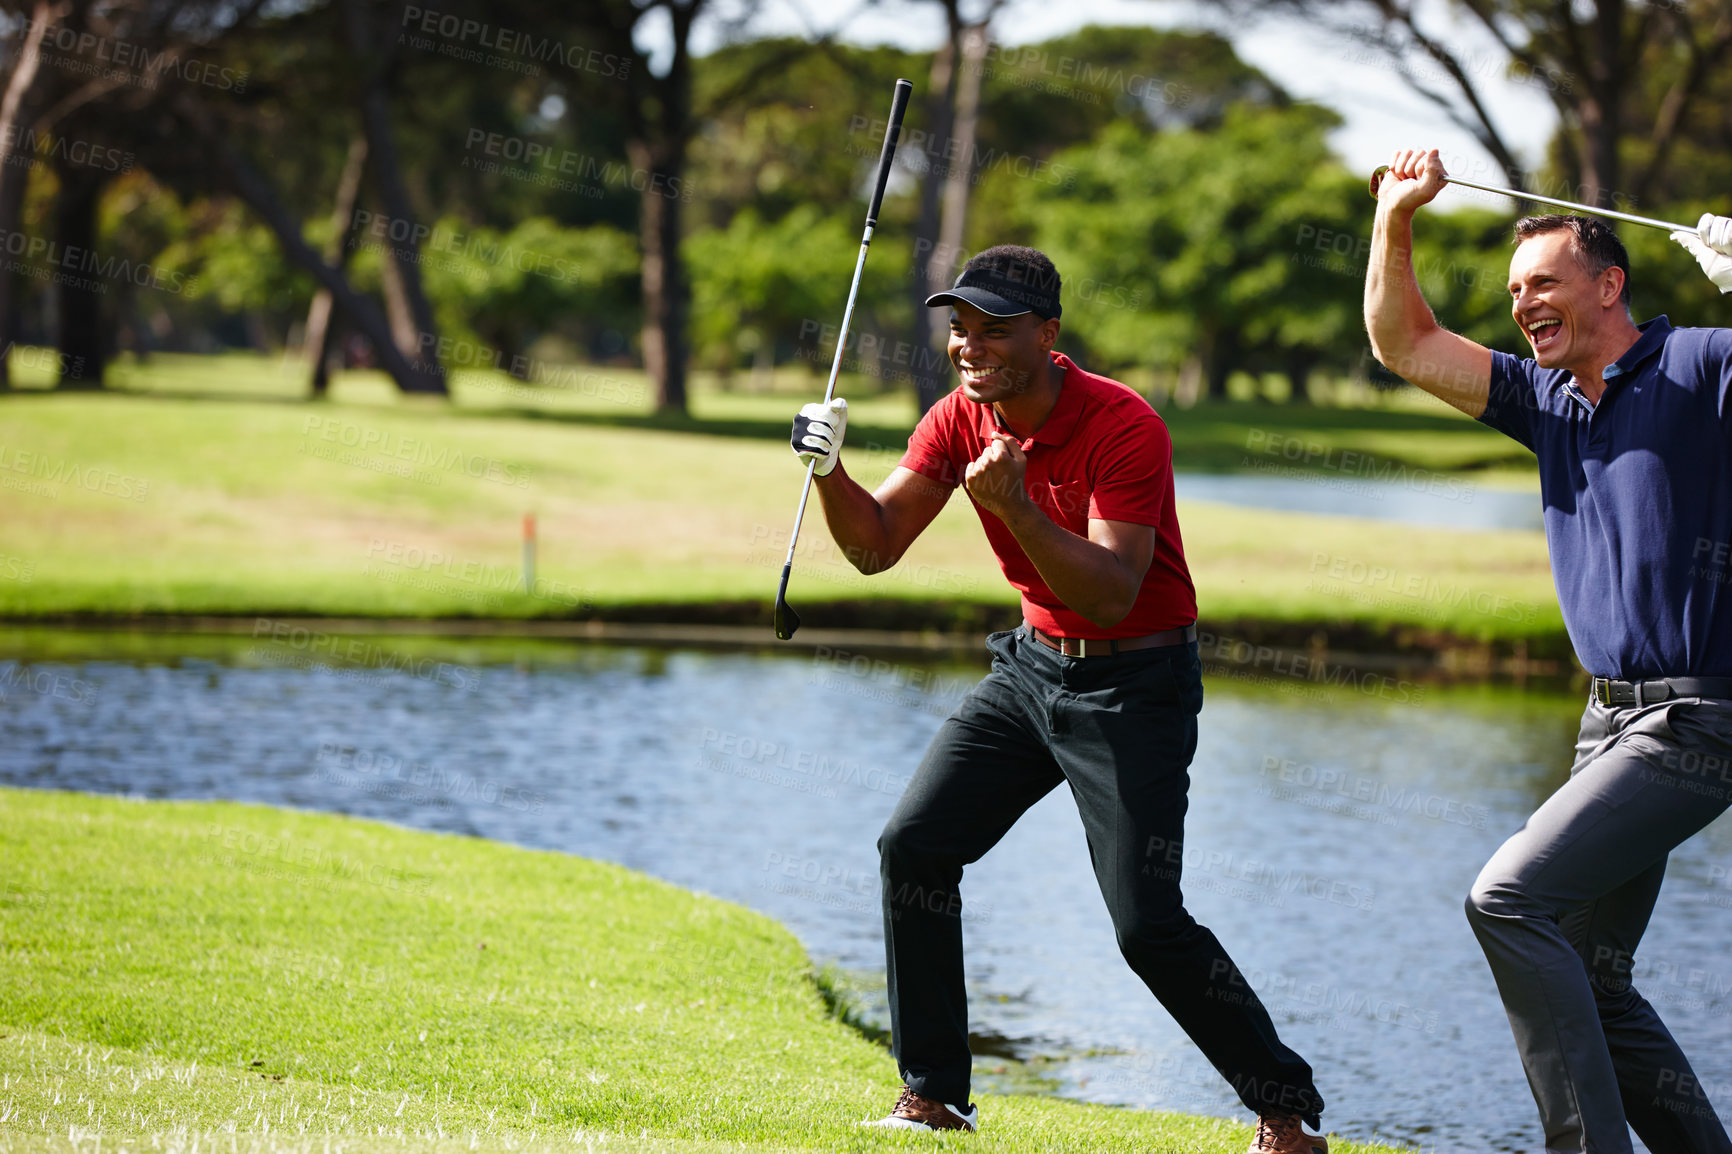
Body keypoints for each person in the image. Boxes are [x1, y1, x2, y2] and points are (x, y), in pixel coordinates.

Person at [788, 245, 1329, 1154]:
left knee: (1147, 925)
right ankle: (932, 1097)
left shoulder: (1126, 425)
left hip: (1137, 685)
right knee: (914, 846)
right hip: (1033, 671)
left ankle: (1284, 1112)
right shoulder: (958, 417)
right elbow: (875, 546)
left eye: (994, 327)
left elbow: (1114, 589)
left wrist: (1020, 508)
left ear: (1049, 332)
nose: (970, 345)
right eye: (960, 328)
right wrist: (830, 471)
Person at [1366, 147, 1732, 1154]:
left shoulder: (1702, 364)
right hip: (1603, 721)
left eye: (1545, 282)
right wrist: (1396, 215)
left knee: (1507, 897)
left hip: (1697, 715)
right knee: (1588, 970)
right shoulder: (1544, 396)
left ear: (1609, 284)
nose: (1524, 302)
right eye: (1514, 288)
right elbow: (1403, 340)